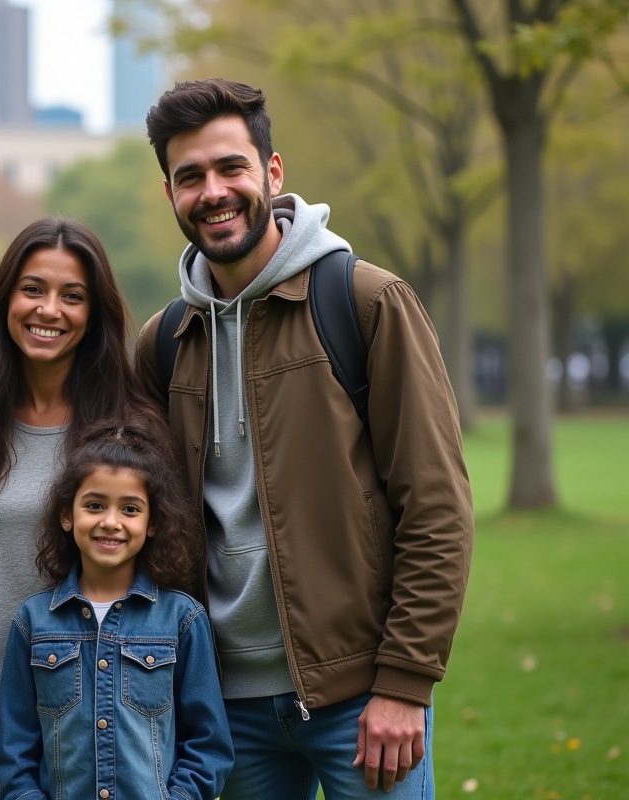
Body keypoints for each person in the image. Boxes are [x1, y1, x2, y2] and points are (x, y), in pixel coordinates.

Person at [135, 79, 474, 798]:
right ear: (170, 193)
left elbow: (437, 507)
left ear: (273, 172)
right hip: (221, 708)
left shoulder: (365, 302)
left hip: (361, 700)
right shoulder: (164, 341)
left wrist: (406, 684)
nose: (214, 191)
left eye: (231, 167)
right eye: (189, 176)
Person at [0, 218, 151, 798]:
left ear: (95, 314)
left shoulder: (127, 432)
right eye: (33, 289)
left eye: (73, 296)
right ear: (6, 300)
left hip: (98, 718)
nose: (50, 310)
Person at [0, 419, 234, 800]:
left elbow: (209, 745)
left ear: (153, 522)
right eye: (94, 505)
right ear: (66, 514)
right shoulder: (33, 622)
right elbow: (16, 753)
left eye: (130, 509)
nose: (110, 522)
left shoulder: (182, 619)